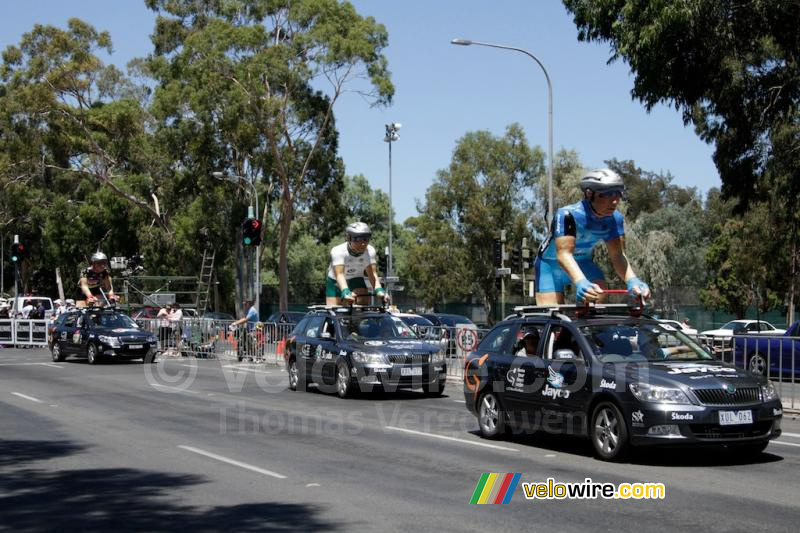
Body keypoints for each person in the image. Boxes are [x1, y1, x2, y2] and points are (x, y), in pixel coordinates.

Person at [535, 168, 651, 305]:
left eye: (618, 193)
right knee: (551, 313)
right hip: (550, 265)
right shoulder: (567, 215)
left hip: (584, 263)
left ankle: (582, 315)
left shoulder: (614, 219)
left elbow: (618, 256)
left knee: (597, 295)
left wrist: (632, 280)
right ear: (589, 194)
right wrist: (580, 281)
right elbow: (564, 254)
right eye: (608, 194)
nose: (615, 201)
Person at [325, 222, 390, 306]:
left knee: (363, 304)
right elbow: (339, 274)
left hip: (356, 278)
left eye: (366, 239)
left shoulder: (370, 251)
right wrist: (345, 291)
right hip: (335, 281)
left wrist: (379, 290)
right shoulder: (338, 251)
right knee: (334, 309)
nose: (363, 243)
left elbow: (372, 274)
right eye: (358, 239)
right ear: (349, 238)